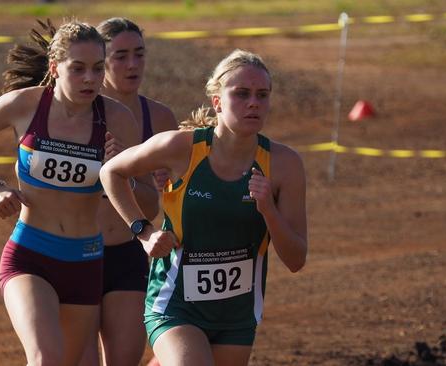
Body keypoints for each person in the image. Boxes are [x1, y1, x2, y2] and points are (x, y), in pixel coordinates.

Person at [0, 20, 140, 366]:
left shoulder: (118, 118)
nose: (89, 79)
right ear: (54, 67)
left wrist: (118, 170)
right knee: (45, 358)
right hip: (30, 254)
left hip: (85, 261)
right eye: (77, 69)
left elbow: (130, 191)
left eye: (96, 68)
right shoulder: (24, 105)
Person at [100, 49, 308, 366]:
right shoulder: (181, 148)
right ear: (217, 102)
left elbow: (296, 259)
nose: (254, 102)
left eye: (262, 95)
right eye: (241, 93)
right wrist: (143, 232)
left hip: (236, 313)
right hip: (175, 302)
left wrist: (269, 210)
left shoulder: (284, 164)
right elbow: (110, 171)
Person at [80, 17, 177, 366]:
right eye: (120, 56)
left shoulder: (161, 120)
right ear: (101, 61)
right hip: (75, 253)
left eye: (139, 54)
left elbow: (153, 206)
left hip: (129, 252)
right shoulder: (77, 113)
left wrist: (124, 172)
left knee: (125, 359)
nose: (132, 65)